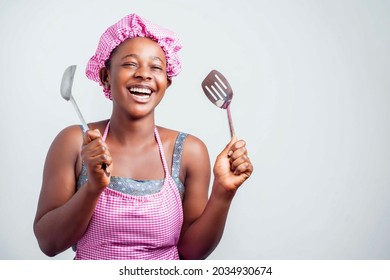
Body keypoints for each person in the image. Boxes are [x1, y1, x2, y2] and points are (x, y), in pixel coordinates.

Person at [33, 13, 253, 260]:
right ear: (106, 77)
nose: (144, 74)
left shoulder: (190, 151)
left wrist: (223, 192)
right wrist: (92, 188)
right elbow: (48, 243)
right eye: (130, 64)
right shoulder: (75, 142)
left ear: (166, 83)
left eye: (156, 67)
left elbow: (191, 254)